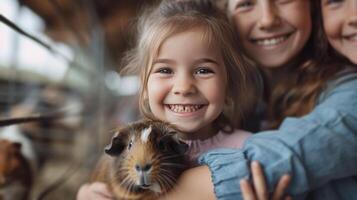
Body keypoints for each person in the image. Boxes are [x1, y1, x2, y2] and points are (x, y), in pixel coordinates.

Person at [76, 1, 291, 199]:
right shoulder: (126, 152)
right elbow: (98, 185)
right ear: (144, 86)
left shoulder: (250, 149)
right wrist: (87, 194)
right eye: (165, 70)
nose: (184, 87)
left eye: (203, 70)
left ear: (229, 84)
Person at [161, 0, 357, 199]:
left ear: (311, 6)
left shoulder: (350, 94)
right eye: (246, 4)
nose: (268, 20)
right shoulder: (220, 100)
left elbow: (278, 158)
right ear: (227, 18)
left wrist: (140, 192)